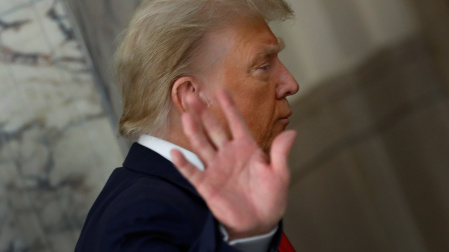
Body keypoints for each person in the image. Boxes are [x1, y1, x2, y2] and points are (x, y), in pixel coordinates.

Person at [75, 0, 299, 251]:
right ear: (190, 97)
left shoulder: (175, 196)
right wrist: (248, 240)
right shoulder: (138, 221)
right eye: (263, 67)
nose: (290, 83)